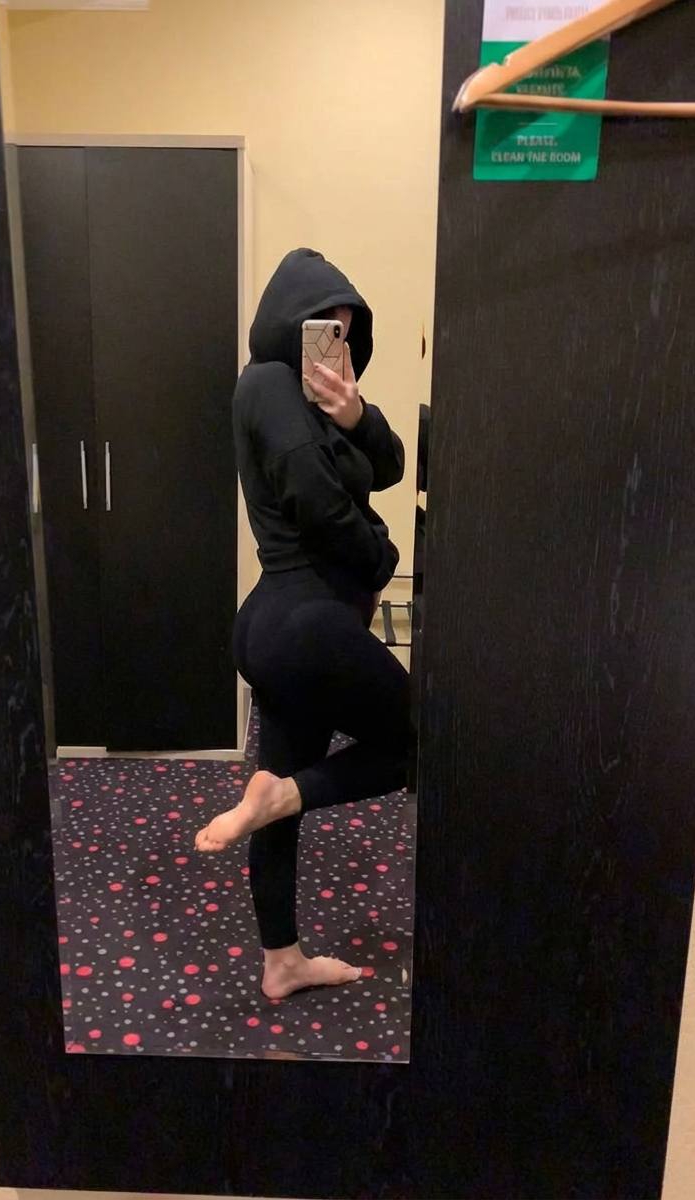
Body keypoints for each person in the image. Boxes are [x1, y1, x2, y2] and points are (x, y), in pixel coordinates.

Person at [194, 248, 410, 1001]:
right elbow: (319, 505)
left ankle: (281, 960)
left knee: (276, 792)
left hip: (286, 627)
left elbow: (390, 467)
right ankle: (282, 795)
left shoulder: (322, 402)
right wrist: (384, 556)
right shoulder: (267, 384)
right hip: (306, 625)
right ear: (289, 322)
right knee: (418, 743)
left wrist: (355, 412)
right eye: (323, 325)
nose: (334, 342)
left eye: (346, 331)